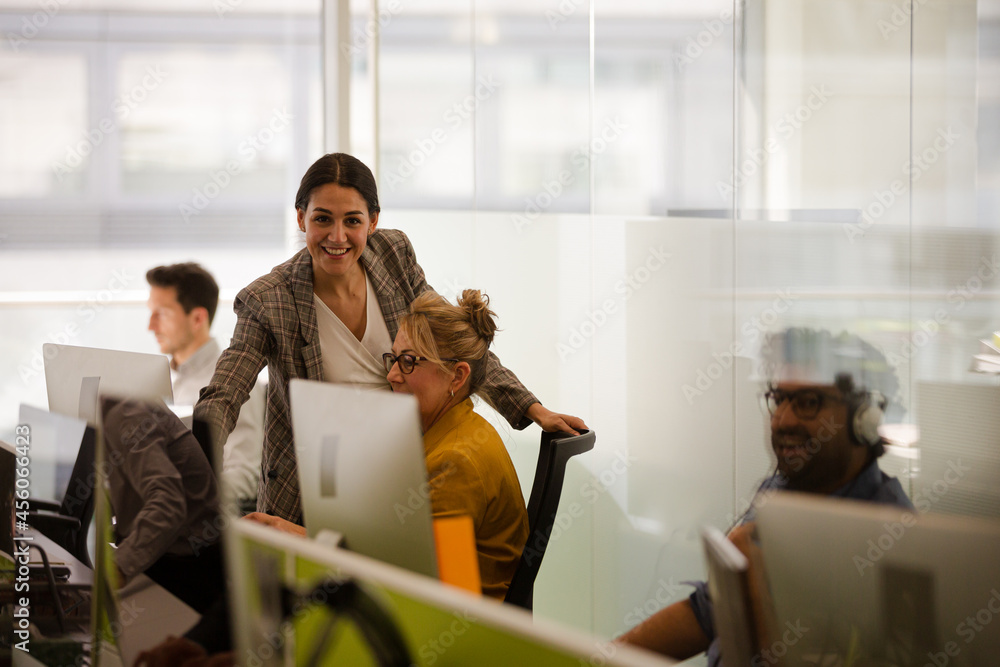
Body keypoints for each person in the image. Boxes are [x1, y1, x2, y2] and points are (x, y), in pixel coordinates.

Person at [194, 152, 587, 524]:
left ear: (373, 221)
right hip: (317, 490)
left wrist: (532, 409)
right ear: (301, 218)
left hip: (407, 474)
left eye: (352, 220)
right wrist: (197, 464)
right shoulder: (269, 299)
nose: (337, 236)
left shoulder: (393, 255)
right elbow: (227, 390)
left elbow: (455, 344)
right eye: (322, 219)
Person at [616, 328, 914, 665]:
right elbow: (707, 614)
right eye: (779, 399)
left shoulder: (890, 536)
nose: (782, 420)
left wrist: (753, 585)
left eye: (808, 403)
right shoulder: (781, 492)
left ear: (865, 419)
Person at [384, 289, 529, 599]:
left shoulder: (456, 462)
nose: (392, 374)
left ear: (456, 376)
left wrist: (305, 539)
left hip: (462, 634)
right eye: (394, 358)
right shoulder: (460, 431)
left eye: (409, 361)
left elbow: (434, 588)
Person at [146, 262, 265, 513]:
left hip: (196, 519)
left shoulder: (234, 382)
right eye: (151, 313)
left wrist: (182, 494)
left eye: (162, 314)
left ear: (198, 318)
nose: (151, 326)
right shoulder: (159, 379)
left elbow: (245, 475)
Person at [101, 397, 225, 614]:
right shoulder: (117, 406)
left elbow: (167, 503)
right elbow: (127, 484)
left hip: (188, 568)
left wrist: (118, 567)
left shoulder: (126, 410)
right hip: (173, 556)